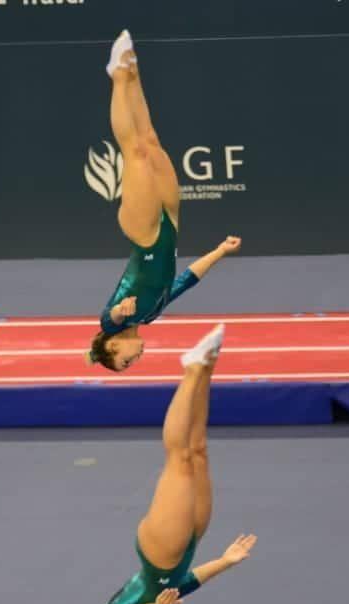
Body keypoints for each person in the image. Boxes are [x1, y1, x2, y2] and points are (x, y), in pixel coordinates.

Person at [46, 323, 258, 604]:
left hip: (160, 554)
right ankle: (206, 367)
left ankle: (192, 368)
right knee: (197, 452)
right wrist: (224, 562)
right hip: (178, 558)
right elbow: (180, 586)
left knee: (178, 459)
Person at [87, 29, 242, 372]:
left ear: (112, 345)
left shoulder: (111, 324)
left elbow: (109, 317)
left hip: (144, 235)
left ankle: (117, 77)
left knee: (135, 152)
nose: (135, 359)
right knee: (151, 141)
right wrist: (221, 251)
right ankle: (133, 70)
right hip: (170, 225)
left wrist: (118, 313)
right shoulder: (152, 313)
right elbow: (185, 279)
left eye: (126, 361)